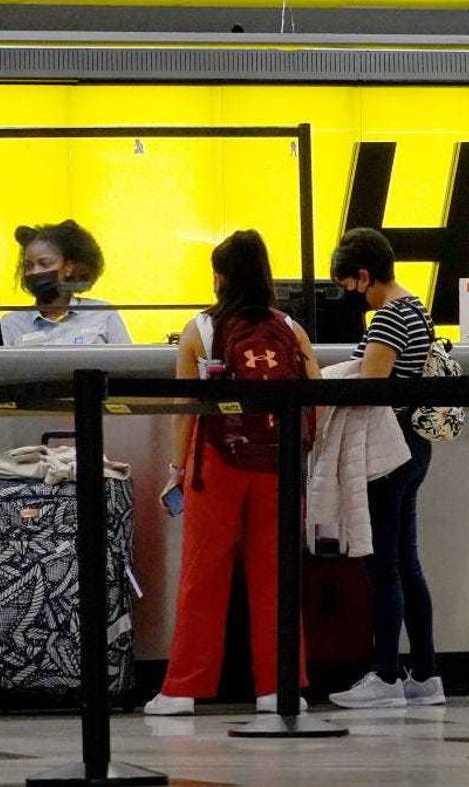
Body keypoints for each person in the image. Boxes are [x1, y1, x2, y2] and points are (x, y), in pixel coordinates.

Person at [144, 229, 322, 717]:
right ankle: (280, 687)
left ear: (220, 277)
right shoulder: (291, 328)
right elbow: (317, 399)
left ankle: (182, 690)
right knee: (276, 575)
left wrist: (178, 468)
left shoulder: (199, 330)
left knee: (204, 574)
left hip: (216, 462)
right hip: (279, 464)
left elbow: (187, 407)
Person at [327, 227, 446, 709]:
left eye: (349, 285)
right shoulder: (416, 308)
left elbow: (371, 386)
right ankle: (425, 673)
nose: (350, 296)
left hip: (388, 454)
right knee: (407, 563)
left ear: (363, 274)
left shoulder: (390, 319)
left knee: (384, 568)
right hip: (413, 449)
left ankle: (386, 675)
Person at [0, 219, 131, 345]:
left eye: (44, 264)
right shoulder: (10, 325)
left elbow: (130, 365)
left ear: (68, 268)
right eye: (29, 266)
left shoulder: (103, 314)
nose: (35, 272)